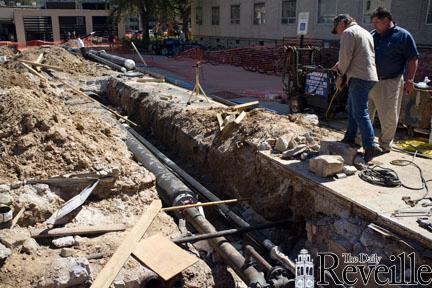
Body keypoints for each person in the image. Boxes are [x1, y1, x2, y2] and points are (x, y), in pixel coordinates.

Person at [331, 14, 383, 162]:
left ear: (342, 22)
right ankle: (349, 138)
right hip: (368, 76)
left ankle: (370, 146)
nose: (338, 32)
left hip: (359, 77)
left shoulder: (348, 32)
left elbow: (346, 56)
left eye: (337, 28)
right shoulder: (365, 32)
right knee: (353, 109)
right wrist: (339, 64)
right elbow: (359, 54)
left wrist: (340, 75)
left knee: (360, 112)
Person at [369, 7, 419, 152]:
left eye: (376, 22)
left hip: (390, 82)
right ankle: (362, 140)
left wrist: (410, 80)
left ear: (386, 21)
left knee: (388, 115)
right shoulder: (374, 35)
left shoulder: (403, 36)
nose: (374, 26)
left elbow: (412, 59)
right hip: (370, 80)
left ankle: (385, 144)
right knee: (365, 112)